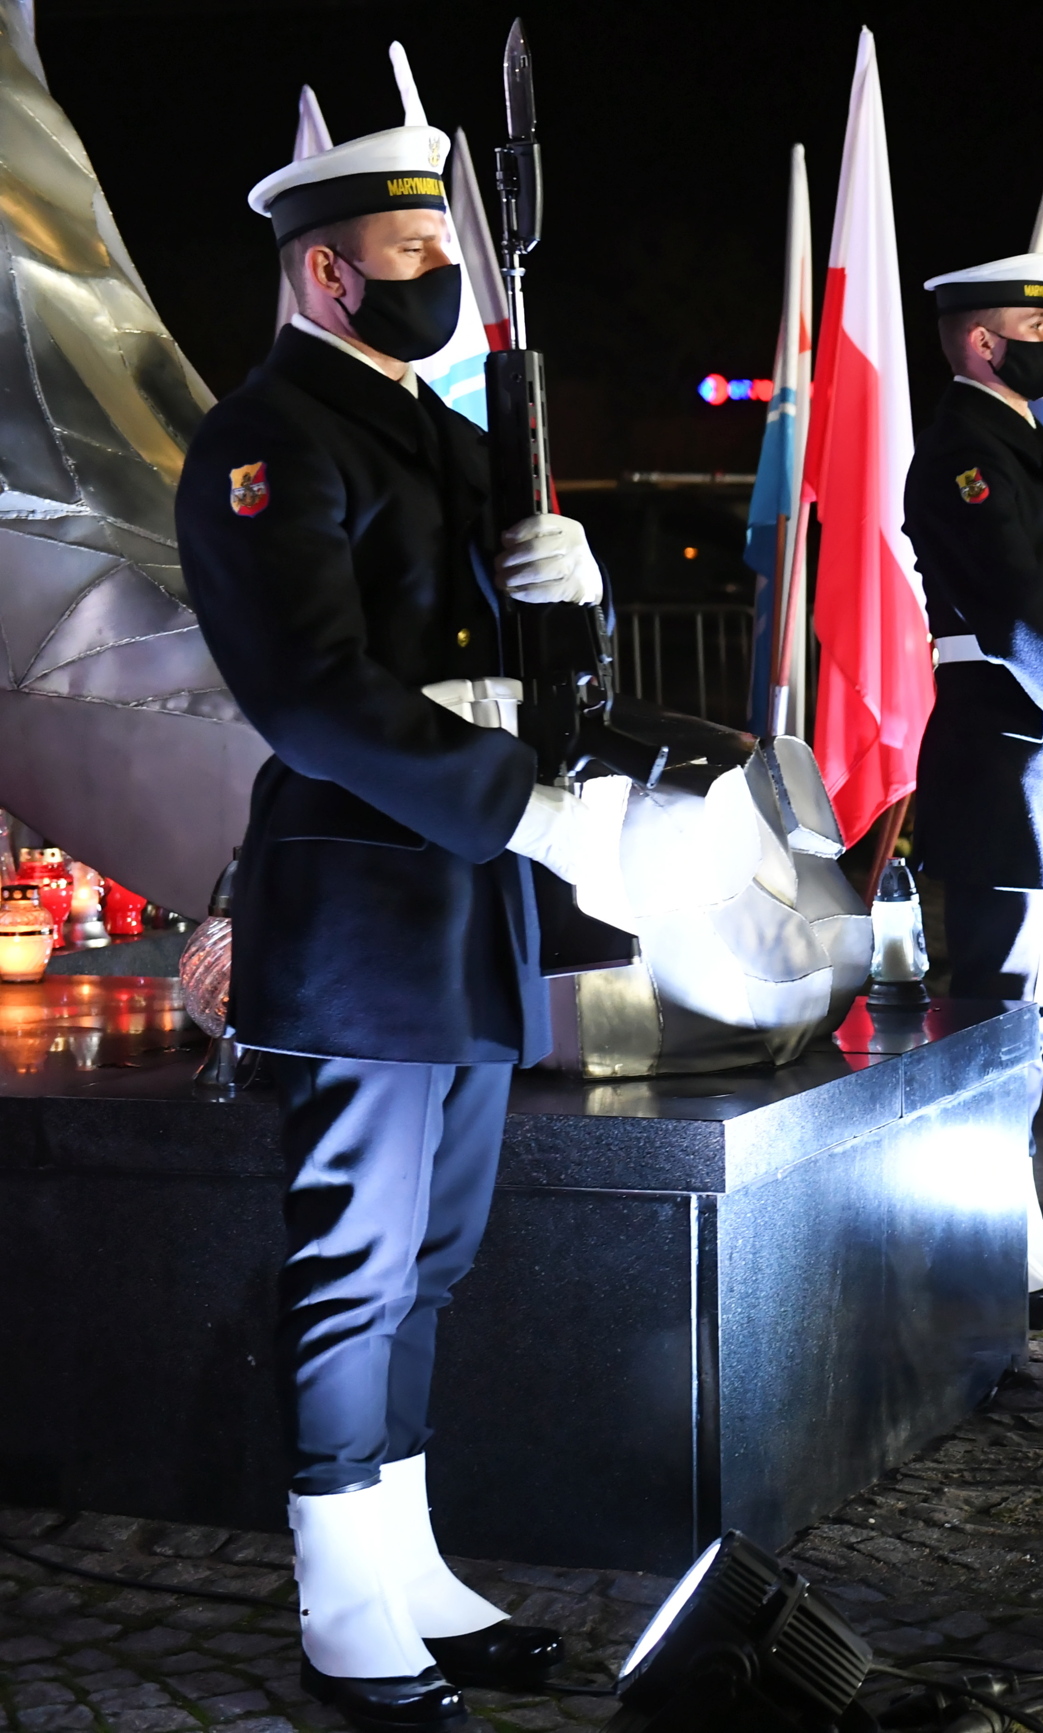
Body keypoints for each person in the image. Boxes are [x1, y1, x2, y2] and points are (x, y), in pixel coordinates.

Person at [179, 99, 603, 1729]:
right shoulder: (269, 437)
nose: (445, 274)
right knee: (354, 1262)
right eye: (415, 251)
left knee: (437, 1253)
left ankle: (407, 1557)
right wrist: (515, 795)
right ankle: (340, 1590)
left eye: (447, 245)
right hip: (362, 894)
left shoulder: (452, 433)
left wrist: (577, 597)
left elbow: (525, 662)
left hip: (472, 891)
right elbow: (310, 692)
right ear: (328, 272)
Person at [901, 251, 1043, 1328]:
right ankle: (982, 1238)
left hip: (1033, 741)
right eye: (1029, 322)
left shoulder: (1021, 441)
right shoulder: (965, 449)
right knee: (998, 1013)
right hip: (1006, 741)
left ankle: (1017, 1223)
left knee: (1033, 1016)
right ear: (982, 342)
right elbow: (1008, 609)